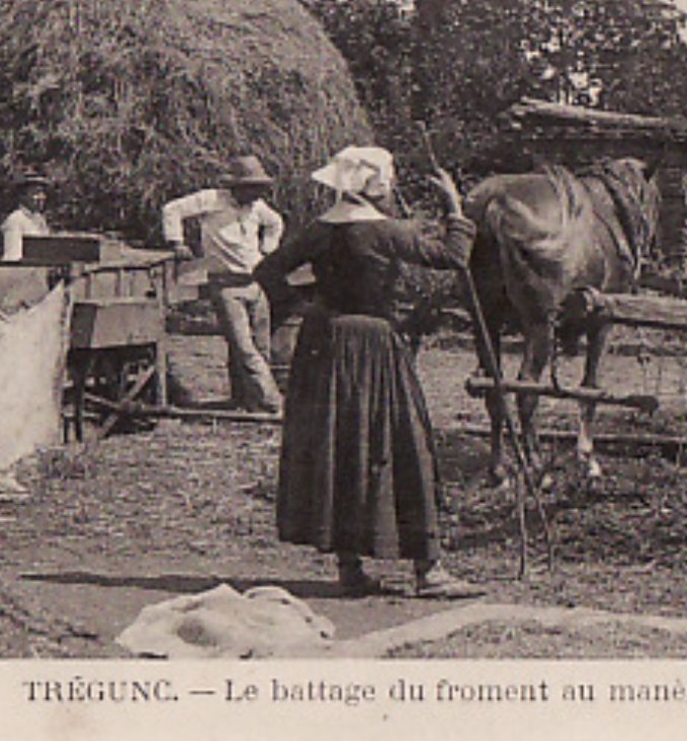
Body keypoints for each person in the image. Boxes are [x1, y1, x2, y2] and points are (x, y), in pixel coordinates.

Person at [254, 145, 483, 600]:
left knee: (340, 444)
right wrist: (455, 207)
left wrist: (312, 303)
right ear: (373, 185)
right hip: (373, 346)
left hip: (324, 344)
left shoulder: (321, 231)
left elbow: (268, 270)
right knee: (401, 443)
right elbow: (453, 257)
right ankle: (429, 571)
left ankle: (350, 566)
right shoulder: (385, 233)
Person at [161, 154, 286, 414]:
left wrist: (268, 249)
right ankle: (274, 403)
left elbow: (276, 223)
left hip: (254, 283)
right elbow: (172, 209)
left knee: (261, 347)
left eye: (258, 187)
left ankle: (245, 400)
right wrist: (177, 242)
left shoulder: (257, 207)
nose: (256, 192)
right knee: (244, 347)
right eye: (251, 186)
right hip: (226, 285)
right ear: (236, 186)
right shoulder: (212, 200)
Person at [1, 173, 53, 262]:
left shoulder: (40, 220)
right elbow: (13, 258)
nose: (42, 197)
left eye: (43, 193)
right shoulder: (16, 220)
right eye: (36, 193)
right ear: (23, 196)